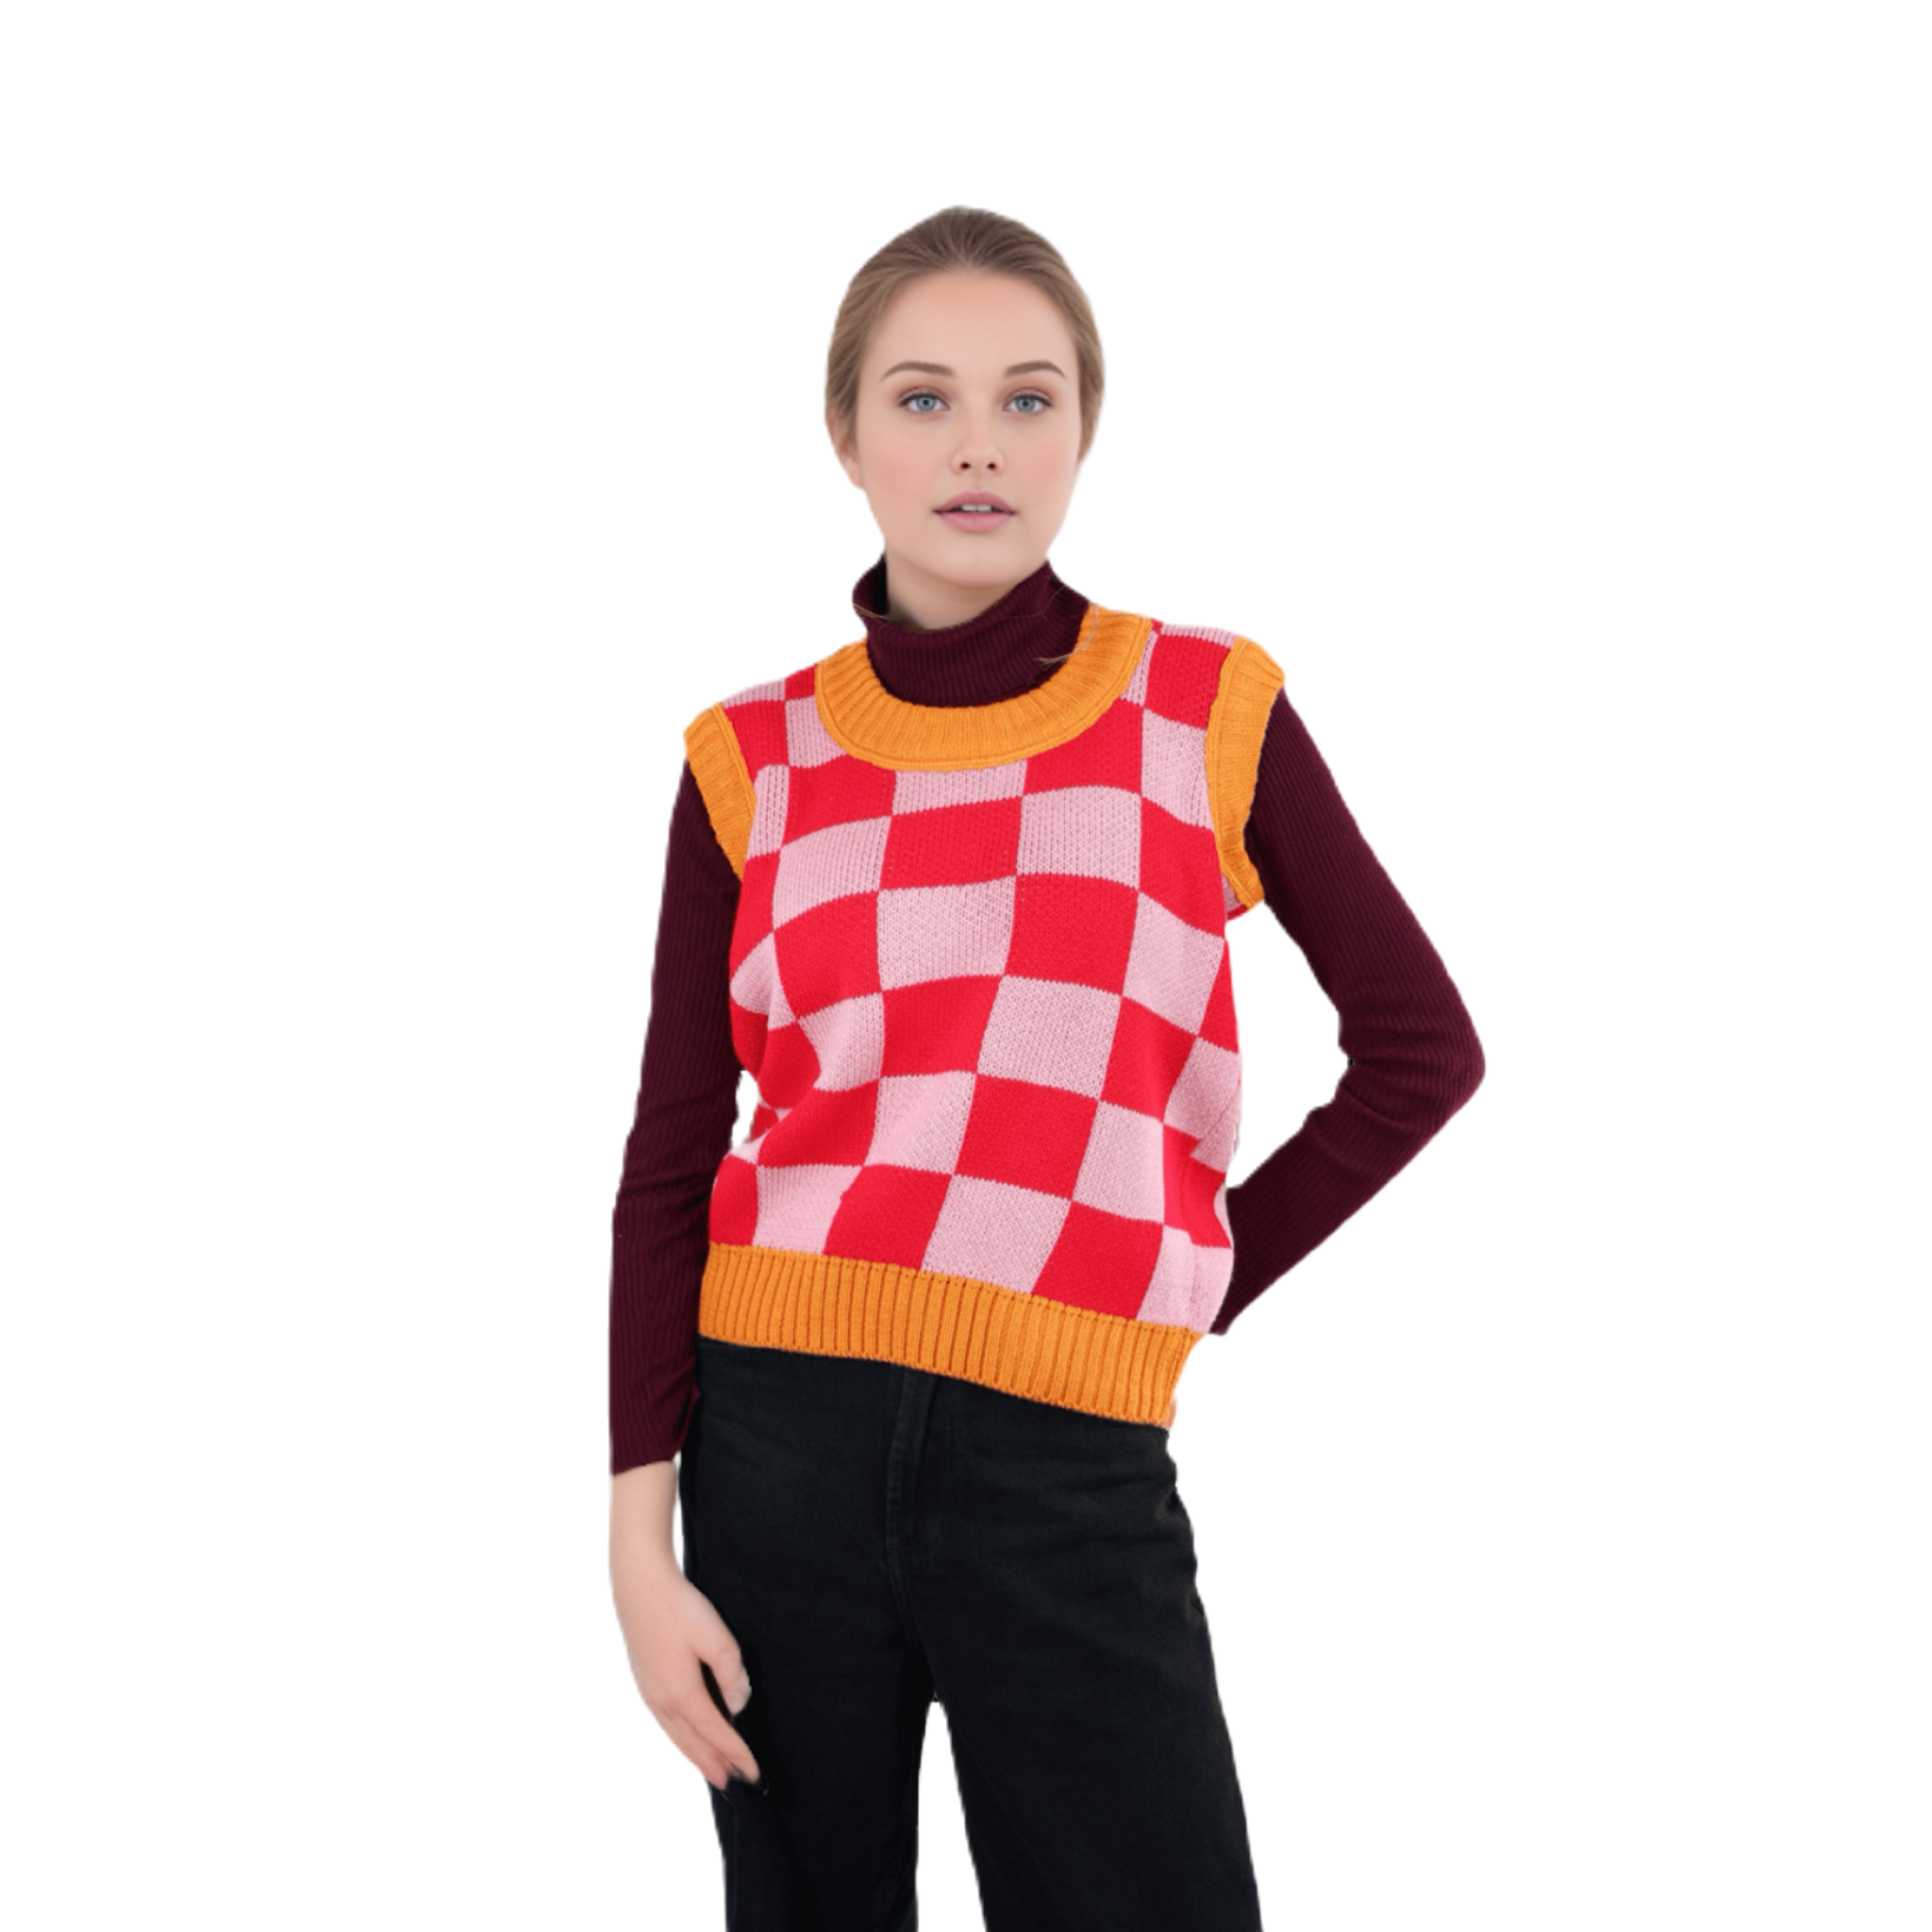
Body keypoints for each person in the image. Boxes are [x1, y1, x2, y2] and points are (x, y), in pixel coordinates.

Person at [607, 204, 1486, 1928]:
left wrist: (1185, 1281)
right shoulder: (746, 754)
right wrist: (640, 1553)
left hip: (1068, 1455)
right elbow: (662, 1163)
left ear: (1086, 430)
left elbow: (1421, 1051)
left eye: (1027, 398)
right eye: (923, 398)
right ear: (845, 434)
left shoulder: (1203, 703)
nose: (978, 447)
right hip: (773, 1440)